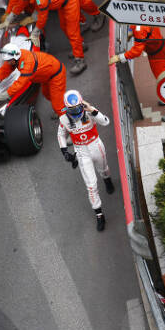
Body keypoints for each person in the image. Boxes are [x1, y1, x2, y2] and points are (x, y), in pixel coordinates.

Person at [58, 90, 115, 232]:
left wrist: (92, 110)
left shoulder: (90, 112)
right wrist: (64, 151)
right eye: (72, 109)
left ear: (82, 104)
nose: (76, 111)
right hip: (81, 151)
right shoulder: (64, 119)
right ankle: (99, 214)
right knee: (91, 185)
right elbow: (61, 135)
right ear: (66, 108)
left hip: (96, 145)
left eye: (78, 107)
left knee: (104, 169)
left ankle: (107, 180)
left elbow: (106, 122)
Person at [4, 0, 87, 75]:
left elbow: (42, 19)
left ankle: (80, 60)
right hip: (63, 4)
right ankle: (80, 46)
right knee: (64, 27)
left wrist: (35, 33)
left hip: (70, 3)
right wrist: (9, 19)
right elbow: (21, 4)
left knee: (73, 32)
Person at [109, 24, 165, 122]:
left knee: (164, 80)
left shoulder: (139, 29)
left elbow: (137, 51)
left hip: (157, 56)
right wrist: (133, 33)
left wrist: (119, 57)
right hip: (159, 49)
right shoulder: (142, 17)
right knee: (164, 77)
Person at [0, 43, 67, 116]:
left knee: (58, 106)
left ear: (14, 58)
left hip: (56, 76)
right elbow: (4, 70)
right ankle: (63, 104)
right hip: (46, 76)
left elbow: (19, 84)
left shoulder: (28, 64)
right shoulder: (17, 55)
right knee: (47, 94)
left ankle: (68, 117)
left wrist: (1, 97)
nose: (7, 63)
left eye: (8, 61)